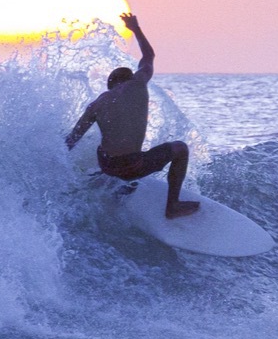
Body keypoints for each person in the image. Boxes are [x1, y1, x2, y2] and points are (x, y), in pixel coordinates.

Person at [65, 12, 200, 219]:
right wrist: (135, 29)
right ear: (129, 79)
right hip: (132, 166)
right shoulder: (136, 84)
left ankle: (107, 180)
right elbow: (148, 57)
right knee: (180, 148)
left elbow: (71, 141)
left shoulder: (97, 104)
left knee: (103, 145)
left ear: (110, 85)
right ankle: (172, 206)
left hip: (107, 165)